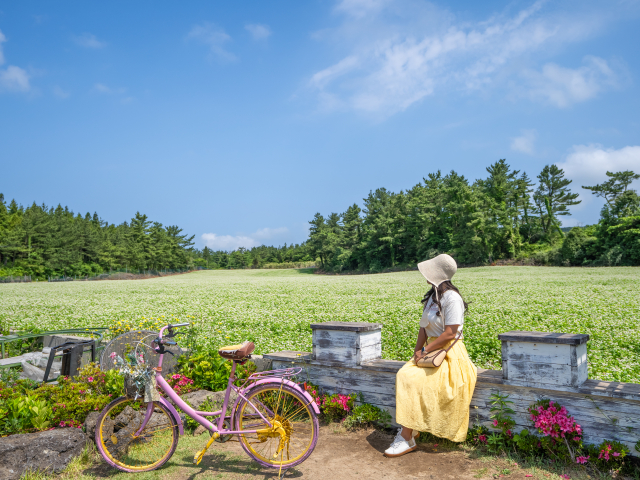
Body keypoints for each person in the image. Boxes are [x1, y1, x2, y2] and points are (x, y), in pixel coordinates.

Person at [384, 254, 477, 457]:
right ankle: (411, 426)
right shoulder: (432, 296)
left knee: (417, 381)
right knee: (404, 375)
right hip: (431, 350)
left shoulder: (452, 298)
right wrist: (417, 351)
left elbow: (451, 333)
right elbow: (423, 329)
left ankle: (407, 437)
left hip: (449, 353)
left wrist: (426, 350)